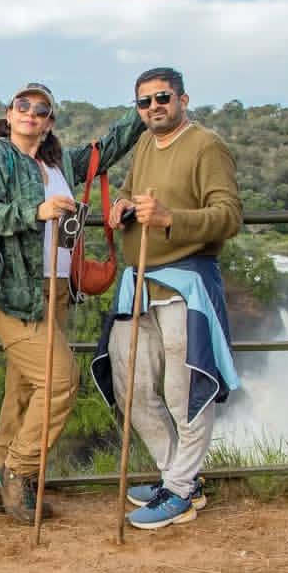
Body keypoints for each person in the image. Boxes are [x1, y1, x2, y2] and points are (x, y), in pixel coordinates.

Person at [0, 82, 145, 525]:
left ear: (49, 122)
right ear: (9, 114)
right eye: (22, 106)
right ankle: (20, 472)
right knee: (60, 380)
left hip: (56, 287)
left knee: (25, 387)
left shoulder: (58, 161)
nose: (30, 113)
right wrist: (37, 211)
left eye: (40, 109)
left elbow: (108, 149)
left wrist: (144, 110)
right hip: (13, 290)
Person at [91, 67, 242, 530]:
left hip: (185, 286)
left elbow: (229, 215)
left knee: (184, 393)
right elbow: (126, 190)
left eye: (162, 98)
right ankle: (177, 476)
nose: (154, 107)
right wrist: (120, 205)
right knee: (130, 386)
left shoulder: (206, 146)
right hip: (138, 285)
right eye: (144, 102)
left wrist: (171, 217)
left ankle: (179, 489)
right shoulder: (141, 145)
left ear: (182, 99)